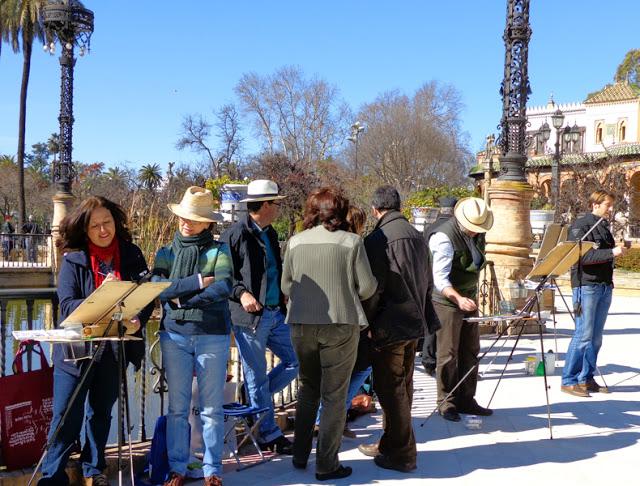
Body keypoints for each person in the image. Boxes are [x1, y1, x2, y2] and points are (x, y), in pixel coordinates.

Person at [38, 197, 152, 486]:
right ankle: (52, 476)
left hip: (114, 348)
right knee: (66, 414)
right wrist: (102, 296)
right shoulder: (74, 259)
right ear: (84, 229)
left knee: (101, 413)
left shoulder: (131, 254)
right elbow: (66, 306)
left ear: (116, 222)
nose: (103, 230)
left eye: (108, 223)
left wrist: (138, 315)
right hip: (76, 350)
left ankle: (94, 470)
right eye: (95, 226)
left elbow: (146, 295)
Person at [282, 188, 377, 481]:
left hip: (301, 324)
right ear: (341, 211)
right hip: (340, 323)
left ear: (311, 211)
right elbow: (367, 287)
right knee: (335, 396)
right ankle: (326, 463)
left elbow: (286, 286)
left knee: (308, 388)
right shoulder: (351, 242)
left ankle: (299, 455)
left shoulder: (295, 242)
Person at [152, 186, 233, 486]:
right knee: (177, 407)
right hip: (174, 335)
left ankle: (213, 470)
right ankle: (178, 467)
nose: (187, 223)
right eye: (185, 217)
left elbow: (223, 287)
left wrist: (183, 300)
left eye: (195, 219)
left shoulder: (218, 250)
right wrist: (196, 282)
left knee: (212, 407)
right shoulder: (166, 251)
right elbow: (159, 286)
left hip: (211, 334)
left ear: (208, 223)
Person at [358, 185, 439, 473]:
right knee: (402, 386)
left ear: (375, 209)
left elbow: (372, 289)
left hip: (389, 325)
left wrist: (366, 323)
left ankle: (403, 454)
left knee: (391, 390)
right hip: (414, 322)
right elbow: (428, 283)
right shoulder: (418, 236)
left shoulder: (378, 239)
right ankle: (390, 443)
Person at [220, 179, 299, 454]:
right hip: (249, 317)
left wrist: (283, 293)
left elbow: (273, 270)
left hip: (275, 313)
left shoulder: (270, 232)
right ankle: (268, 433)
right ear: (265, 204)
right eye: (276, 203)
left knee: (296, 359)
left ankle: (252, 398)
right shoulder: (235, 234)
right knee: (256, 376)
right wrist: (242, 293)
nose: (278, 208)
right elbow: (222, 276)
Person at [425, 197, 493, 423]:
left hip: (469, 299)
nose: (476, 232)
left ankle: (467, 398)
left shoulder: (478, 234)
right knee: (448, 354)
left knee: (471, 350)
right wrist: (458, 298)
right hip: (447, 301)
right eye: (473, 228)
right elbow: (440, 280)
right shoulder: (443, 238)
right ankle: (446, 401)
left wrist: (469, 298)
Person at [313, 205, 374, 439]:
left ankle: (329, 419)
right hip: (348, 320)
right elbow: (365, 287)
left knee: (335, 374)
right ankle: (331, 419)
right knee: (355, 370)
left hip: (324, 319)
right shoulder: (354, 248)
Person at [561, 190, 626, 397]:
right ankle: (569, 380)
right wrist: (611, 252)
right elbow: (582, 257)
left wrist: (620, 250)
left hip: (605, 285)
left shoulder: (604, 227)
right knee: (583, 334)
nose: (610, 209)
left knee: (596, 337)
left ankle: (587, 378)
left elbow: (605, 254)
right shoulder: (581, 225)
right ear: (595, 204)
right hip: (586, 286)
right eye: (608, 204)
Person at [421, 196, 457, 376]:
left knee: (430, 320)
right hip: (447, 284)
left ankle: (428, 360)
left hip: (428, 279)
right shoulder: (452, 231)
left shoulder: (429, 229)